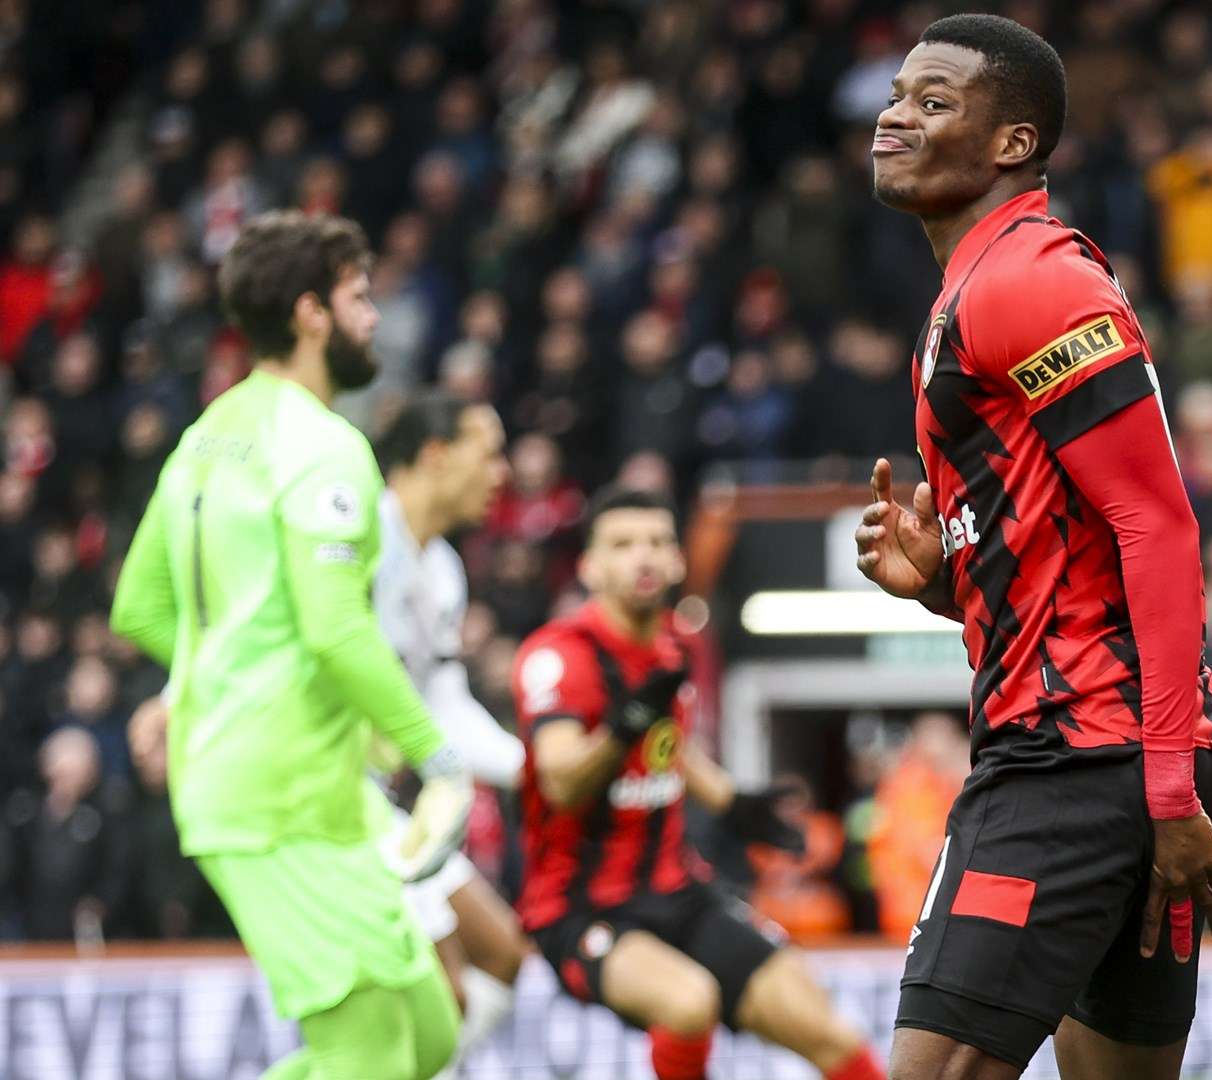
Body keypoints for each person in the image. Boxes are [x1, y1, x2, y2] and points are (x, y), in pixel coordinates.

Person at [859, 15, 1212, 1079]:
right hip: (1108, 748)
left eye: (934, 101)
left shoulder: (1029, 281)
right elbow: (1069, 549)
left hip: (1086, 756)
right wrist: (945, 587)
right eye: (896, 94)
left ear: (1011, 144)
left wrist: (1167, 787)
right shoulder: (967, 296)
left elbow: (1157, 523)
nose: (895, 115)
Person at [110, 210, 469, 1080]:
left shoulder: (205, 437)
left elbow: (141, 607)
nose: (374, 315)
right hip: (277, 801)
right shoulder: (325, 447)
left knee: (429, 1035)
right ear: (312, 314)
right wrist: (437, 756)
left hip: (302, 794)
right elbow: (334, 627)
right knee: (370, 1055)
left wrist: (202, 685)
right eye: (359, 296)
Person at [510, 487, 884, 1080]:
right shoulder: (558, 655)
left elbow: (668, 748)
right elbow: (561, 782)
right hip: (580, 909)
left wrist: (730, 800)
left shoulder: (677, 645)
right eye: (624, 544)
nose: (645, 557)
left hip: (678, 889)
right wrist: (625, 723)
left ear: (679, 562)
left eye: (658, 542)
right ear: (590, 566)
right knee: (688, 1004)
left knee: (829, 1032)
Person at [371, 392, 530, 1074]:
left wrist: (532, 768)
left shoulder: (440, 567)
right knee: (446, 999)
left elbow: (440, 702)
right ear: (435, 456)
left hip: (384, 802)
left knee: (502, 953)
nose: (502, 470)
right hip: (330, 798)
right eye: (487, 451)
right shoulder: (359, 543)